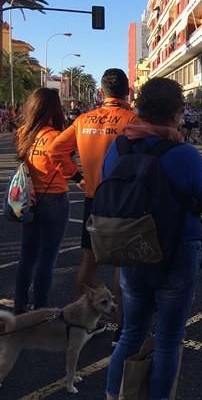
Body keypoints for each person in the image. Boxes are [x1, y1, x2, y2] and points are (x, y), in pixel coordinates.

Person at [104, 78, 202, 400]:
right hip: (176, 250)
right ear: (177, 113)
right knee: (167, 339)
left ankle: (114, 394)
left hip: (129, 246)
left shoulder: (119, 147)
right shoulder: (184, 153)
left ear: (140, 108)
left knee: (130, 333)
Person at [48, 69, 137, 322]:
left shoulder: (83, 120)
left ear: (101, 92)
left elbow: (55, 150)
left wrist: (76, 176)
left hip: (93, 197)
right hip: (122, 199)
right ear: (127, 91)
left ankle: (80, 320)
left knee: (89, 259)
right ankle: (123, 329)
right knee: (123, 262)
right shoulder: (132, 119)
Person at [13, 89, 79, 314]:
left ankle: (20, 305)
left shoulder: (23, 133)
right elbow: (66, 164)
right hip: (54, 198)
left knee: (27, 255)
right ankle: (40, 307)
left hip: (28, 198)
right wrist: (79, 178)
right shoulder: (54, 136)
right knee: (47, 257)